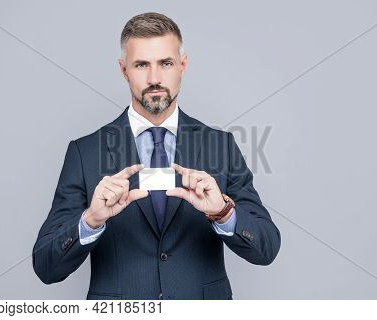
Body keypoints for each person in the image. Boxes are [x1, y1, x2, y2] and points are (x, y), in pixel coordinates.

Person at [32, 12, 281, 300]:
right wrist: (90, 220)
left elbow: (266, 248)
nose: (154, 78)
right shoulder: (84, 152)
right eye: (141, 65)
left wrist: (223, 212)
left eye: (165, 63)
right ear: (124, 69)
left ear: (182, 65)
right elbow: (46, 266)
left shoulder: (220, 146)